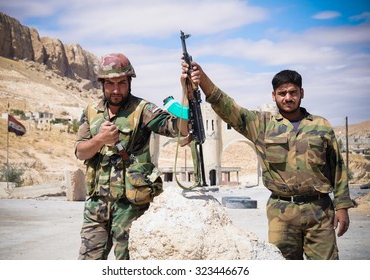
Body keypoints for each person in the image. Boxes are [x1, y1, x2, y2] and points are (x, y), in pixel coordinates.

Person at [182, 61, 353, 260]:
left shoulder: (321, 126)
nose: (288, 98)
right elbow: (226, 106)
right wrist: (202, 79)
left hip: (320, 212)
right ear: (274, 96)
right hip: (282, 214)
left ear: (302, 93)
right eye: (282, 93)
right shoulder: (261, 125)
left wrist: (342, 207)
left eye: (293, 92)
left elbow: (338, 169)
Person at [75, 53, 189, 260]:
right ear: (102, 83)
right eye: (110, 83)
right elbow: (80, 151)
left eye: (121, 83)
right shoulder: (91, 111)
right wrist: (100, 139)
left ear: (129, 82)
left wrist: (186, 93)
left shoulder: (142, 110)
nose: (116, 90)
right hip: (96, 207)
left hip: (130, 208)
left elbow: (178, 129)